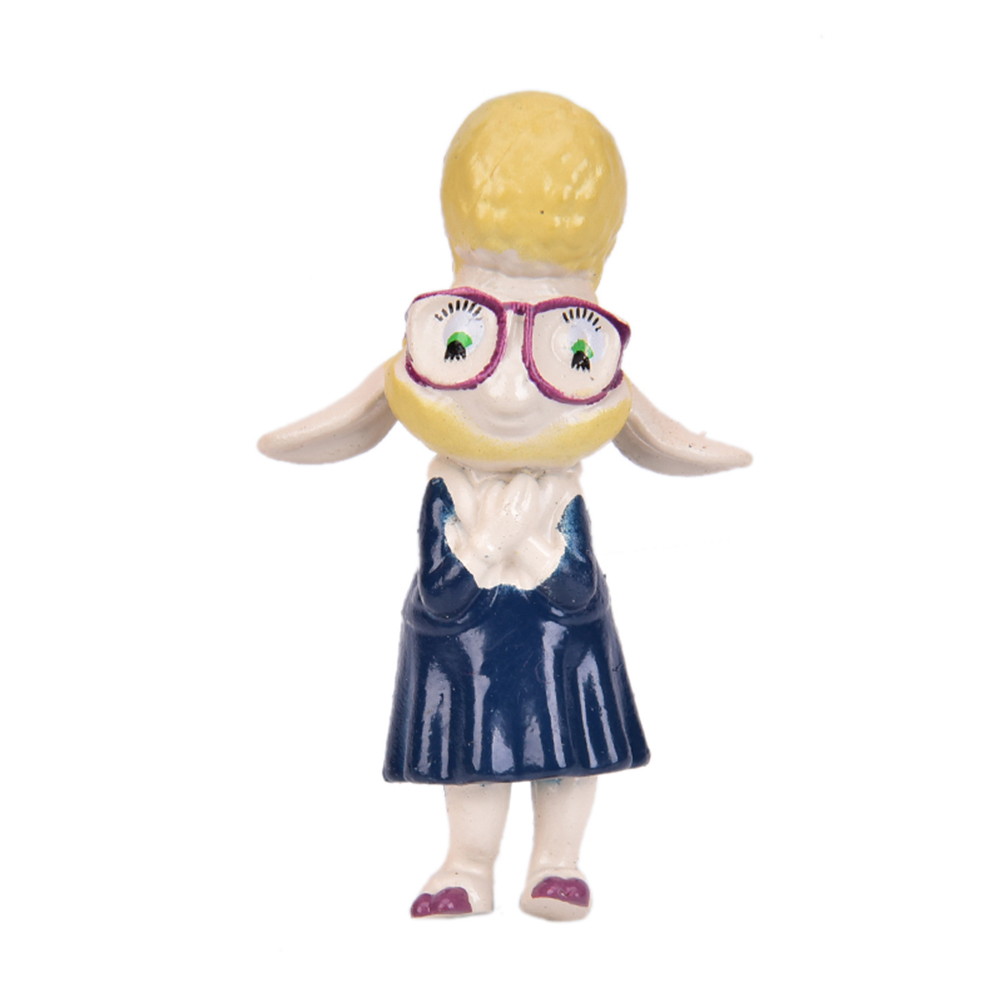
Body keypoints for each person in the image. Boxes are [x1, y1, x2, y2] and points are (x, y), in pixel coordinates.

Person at [258, 91, 751, 920]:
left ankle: (558, 862)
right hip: (468, 647)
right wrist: (495, 541)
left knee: (568, 757)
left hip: (561, 644)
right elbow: (442, 584)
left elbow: (576, 584)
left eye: (569, 348)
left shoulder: (561, 490)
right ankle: (468, 865)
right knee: (472, 763)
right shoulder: (448, 487)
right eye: (466, 341)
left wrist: (535, 543)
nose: (513, 396)